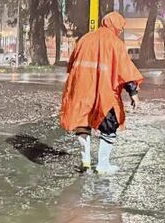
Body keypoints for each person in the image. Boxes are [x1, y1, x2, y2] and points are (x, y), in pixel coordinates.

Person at [60, 11, 143, 173]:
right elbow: (124, 71)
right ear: (116, 26)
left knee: (82, 123)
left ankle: (85, 160)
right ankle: (103, 165)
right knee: (109, 127)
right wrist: (133, 92)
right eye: (120, 27)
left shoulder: (84, 39)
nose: (120, 30)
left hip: (81, 89)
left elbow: (71, 65)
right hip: (104, 93)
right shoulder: (115, 43)